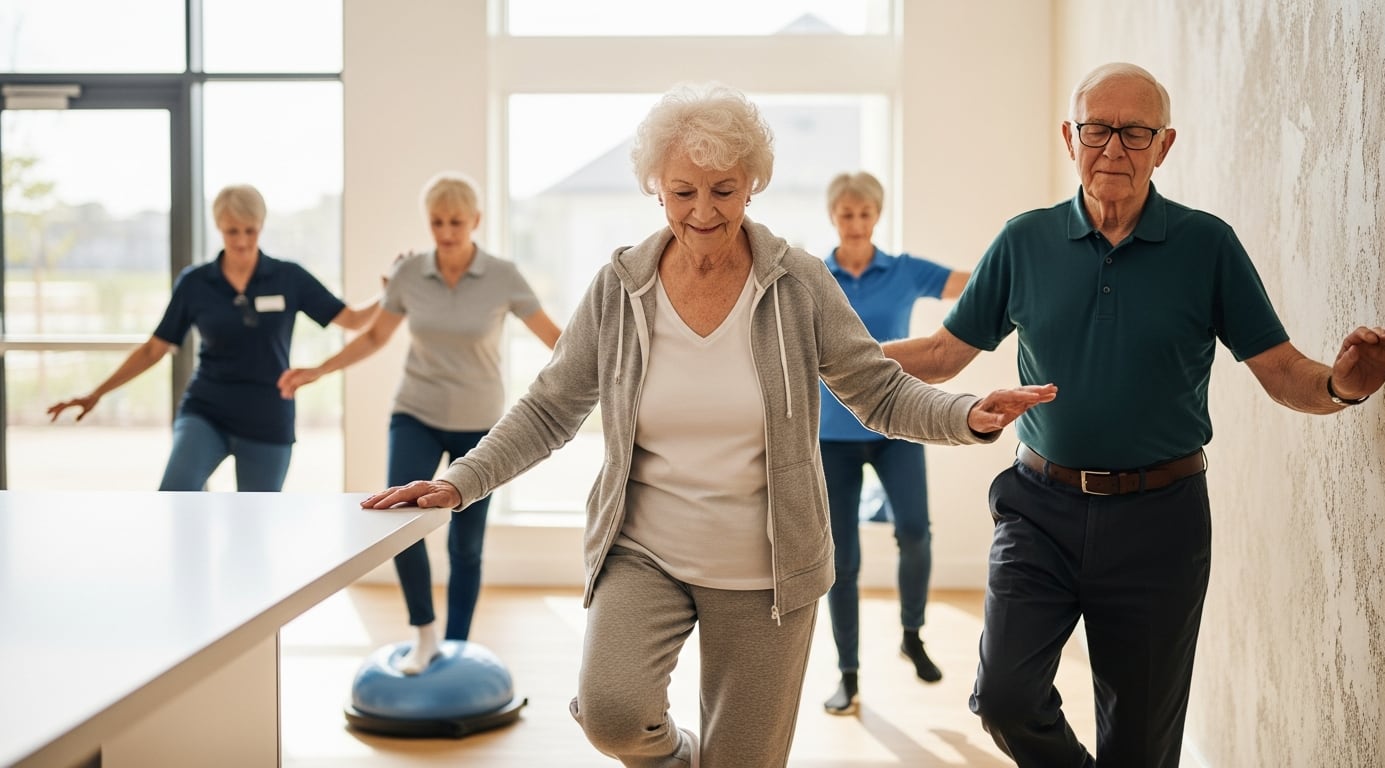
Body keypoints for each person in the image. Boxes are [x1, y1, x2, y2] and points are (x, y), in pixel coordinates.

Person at [362, 83, 1057, 768]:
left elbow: (875, 388)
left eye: (723, 189)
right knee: (610, 711)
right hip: (644, 552)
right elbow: (550, 407)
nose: (702, 210)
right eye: (683, 191)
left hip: (769, 571)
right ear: (656, 189)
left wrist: (965, 412)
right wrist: (459, 482)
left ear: (751, 185)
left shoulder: (797, 283)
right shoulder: (619, 288)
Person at [883, 62, 1385, 768]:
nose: (1114, 150)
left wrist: (1343, 386)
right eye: (1098, 130)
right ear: (1070, 137)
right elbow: (946, 353)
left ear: (1165, 145)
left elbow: (1282, 370)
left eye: (1136, 133)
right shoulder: (1024, 242)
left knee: (1140, 748)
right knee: (1004, 697)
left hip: (1162, 524)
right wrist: (835, 353)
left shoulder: (1206, 246)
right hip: (1039, 509)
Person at [278, 171, 561, 674]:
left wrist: (610, 371)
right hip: (417, 413)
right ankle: (425, 634)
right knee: (399, 523)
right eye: (437, 222)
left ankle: (456, 646)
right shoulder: (410, 274)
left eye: (457, 222)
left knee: (465, 544)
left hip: (481, 426)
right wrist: (318, 371)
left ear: (475, 221)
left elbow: (555, 340)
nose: (447, 232)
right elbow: (373, 338)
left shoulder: (503, 276)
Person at [47, 184, 380, 492]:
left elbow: (352, 320)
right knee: (174, 500)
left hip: (268, 416)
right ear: (219, 227)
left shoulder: (289, 277)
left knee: (254, 526)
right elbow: (154, 348)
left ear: (261, 225)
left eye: (251, 230)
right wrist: (96, 393)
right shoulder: (195, 283)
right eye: (232, 231)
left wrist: (391, 293)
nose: (242, 241)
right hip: (207, 410)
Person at [816, 170, 972, 716]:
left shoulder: (904, 272)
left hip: (896, 424)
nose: (856, 224)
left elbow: (975, 284)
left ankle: (912, 633)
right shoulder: (815, 277)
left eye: (864, 214)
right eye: (846, 214)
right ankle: (848, 674)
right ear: (833, 217)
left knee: (915, 531)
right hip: (831, 435)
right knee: (843, 560)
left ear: (876, 215)